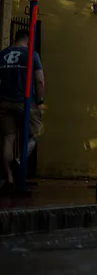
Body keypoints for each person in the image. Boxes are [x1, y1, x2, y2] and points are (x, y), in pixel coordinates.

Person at [0, 30, 43, 192]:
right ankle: (18, 161)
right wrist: (40, 101)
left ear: (15, 39)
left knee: (8, 139)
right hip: (26, 102)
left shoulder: (2, 54)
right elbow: (40, 80)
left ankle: (9, 180)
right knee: (34, 134)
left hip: (5, 102)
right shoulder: (32, 55)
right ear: (28, 40)